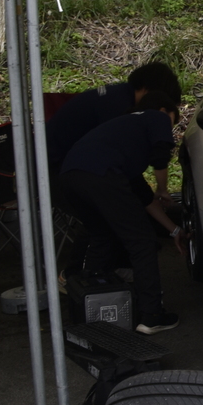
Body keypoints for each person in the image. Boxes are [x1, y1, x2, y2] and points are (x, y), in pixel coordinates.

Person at [58, 93, 186, 334]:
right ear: (163, 110)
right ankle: (153, 315)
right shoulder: (156, 116)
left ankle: (93, 306)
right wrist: (163, 188)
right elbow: (161, 152)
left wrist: (175, 230)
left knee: (102, 234)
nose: (170, 127)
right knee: (143, 242)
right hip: (101, 176)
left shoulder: (119, 140)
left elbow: (144, 198)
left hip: (70, 177)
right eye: (173, 121)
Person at [47, 61, 183, 198]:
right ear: (147, 89)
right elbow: (120, 162)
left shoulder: (118, 95)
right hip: (56, 165)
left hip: (62, 160)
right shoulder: (118, 107)